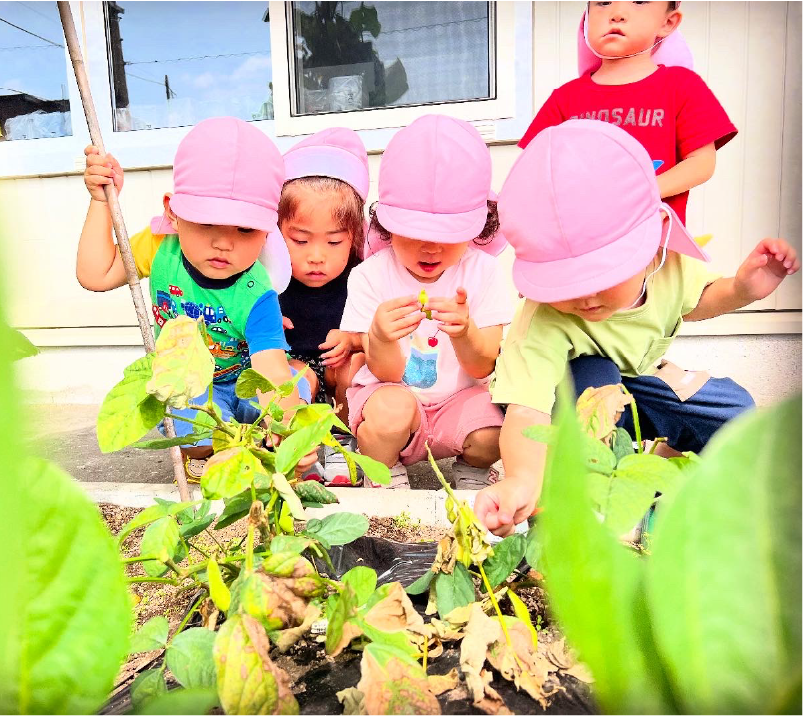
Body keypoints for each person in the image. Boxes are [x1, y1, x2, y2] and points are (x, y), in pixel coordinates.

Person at [478, 119, 798, 535]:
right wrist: (522, 478)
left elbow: (696, 301)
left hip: (636, 383)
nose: (585, 298)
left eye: (602, 277)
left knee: (734, 409)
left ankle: (650, 479)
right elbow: (526, 410)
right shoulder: (543, 319)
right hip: (567, 403)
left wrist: (741, 289)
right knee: (596, 378)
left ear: (652, 246)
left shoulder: (670, 266)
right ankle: (575, 498)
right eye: (566, 284)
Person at [76, 116, 313, 480]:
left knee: (285, 396)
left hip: (246, 381)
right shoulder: (159, 248)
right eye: (207, 223)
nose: (224, 242)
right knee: (188, 431)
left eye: (245, 229)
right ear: (173, 212)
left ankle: (266, 425)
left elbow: (269, 373)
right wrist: (101, 202)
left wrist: (289, 437)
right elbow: (96, 274)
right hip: (192, 388)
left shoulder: (257, 291)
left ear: (268, 230)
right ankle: (234, 445)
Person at [340, 115, 515, 490]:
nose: (431, 247)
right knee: (389, 414)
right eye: (416, 232)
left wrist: (465, 332)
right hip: (393, 397)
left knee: (499, 430)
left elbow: (483, 365)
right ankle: (383, 470)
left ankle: (473, 470)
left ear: (477, 227)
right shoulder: (371, 275)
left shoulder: (484, 273)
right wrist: (381, 338)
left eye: (448, 235)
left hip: (458, 401)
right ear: (386, 224)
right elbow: (385, 374)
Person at [520, 0, 736, 226]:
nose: (617, 14)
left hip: (656, 247)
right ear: (587, 18)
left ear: (668, 22)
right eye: (603, 2)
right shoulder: (564, 98)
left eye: (639, 1)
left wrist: (644, 193)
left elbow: (702, 163)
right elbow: (533, 170)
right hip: (580, 248)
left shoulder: (682, 86)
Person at [278, 128, 370, 485]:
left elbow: (377, 334)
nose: (316, 256)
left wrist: (354, 339)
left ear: (354, 238)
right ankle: (303, 446)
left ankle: (345, 442)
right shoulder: (269, 277)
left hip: (340, 379)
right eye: (300, 240)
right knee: (295, 374)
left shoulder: (363, 275)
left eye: (334, 242)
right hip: (296, 377)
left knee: (355, 362)